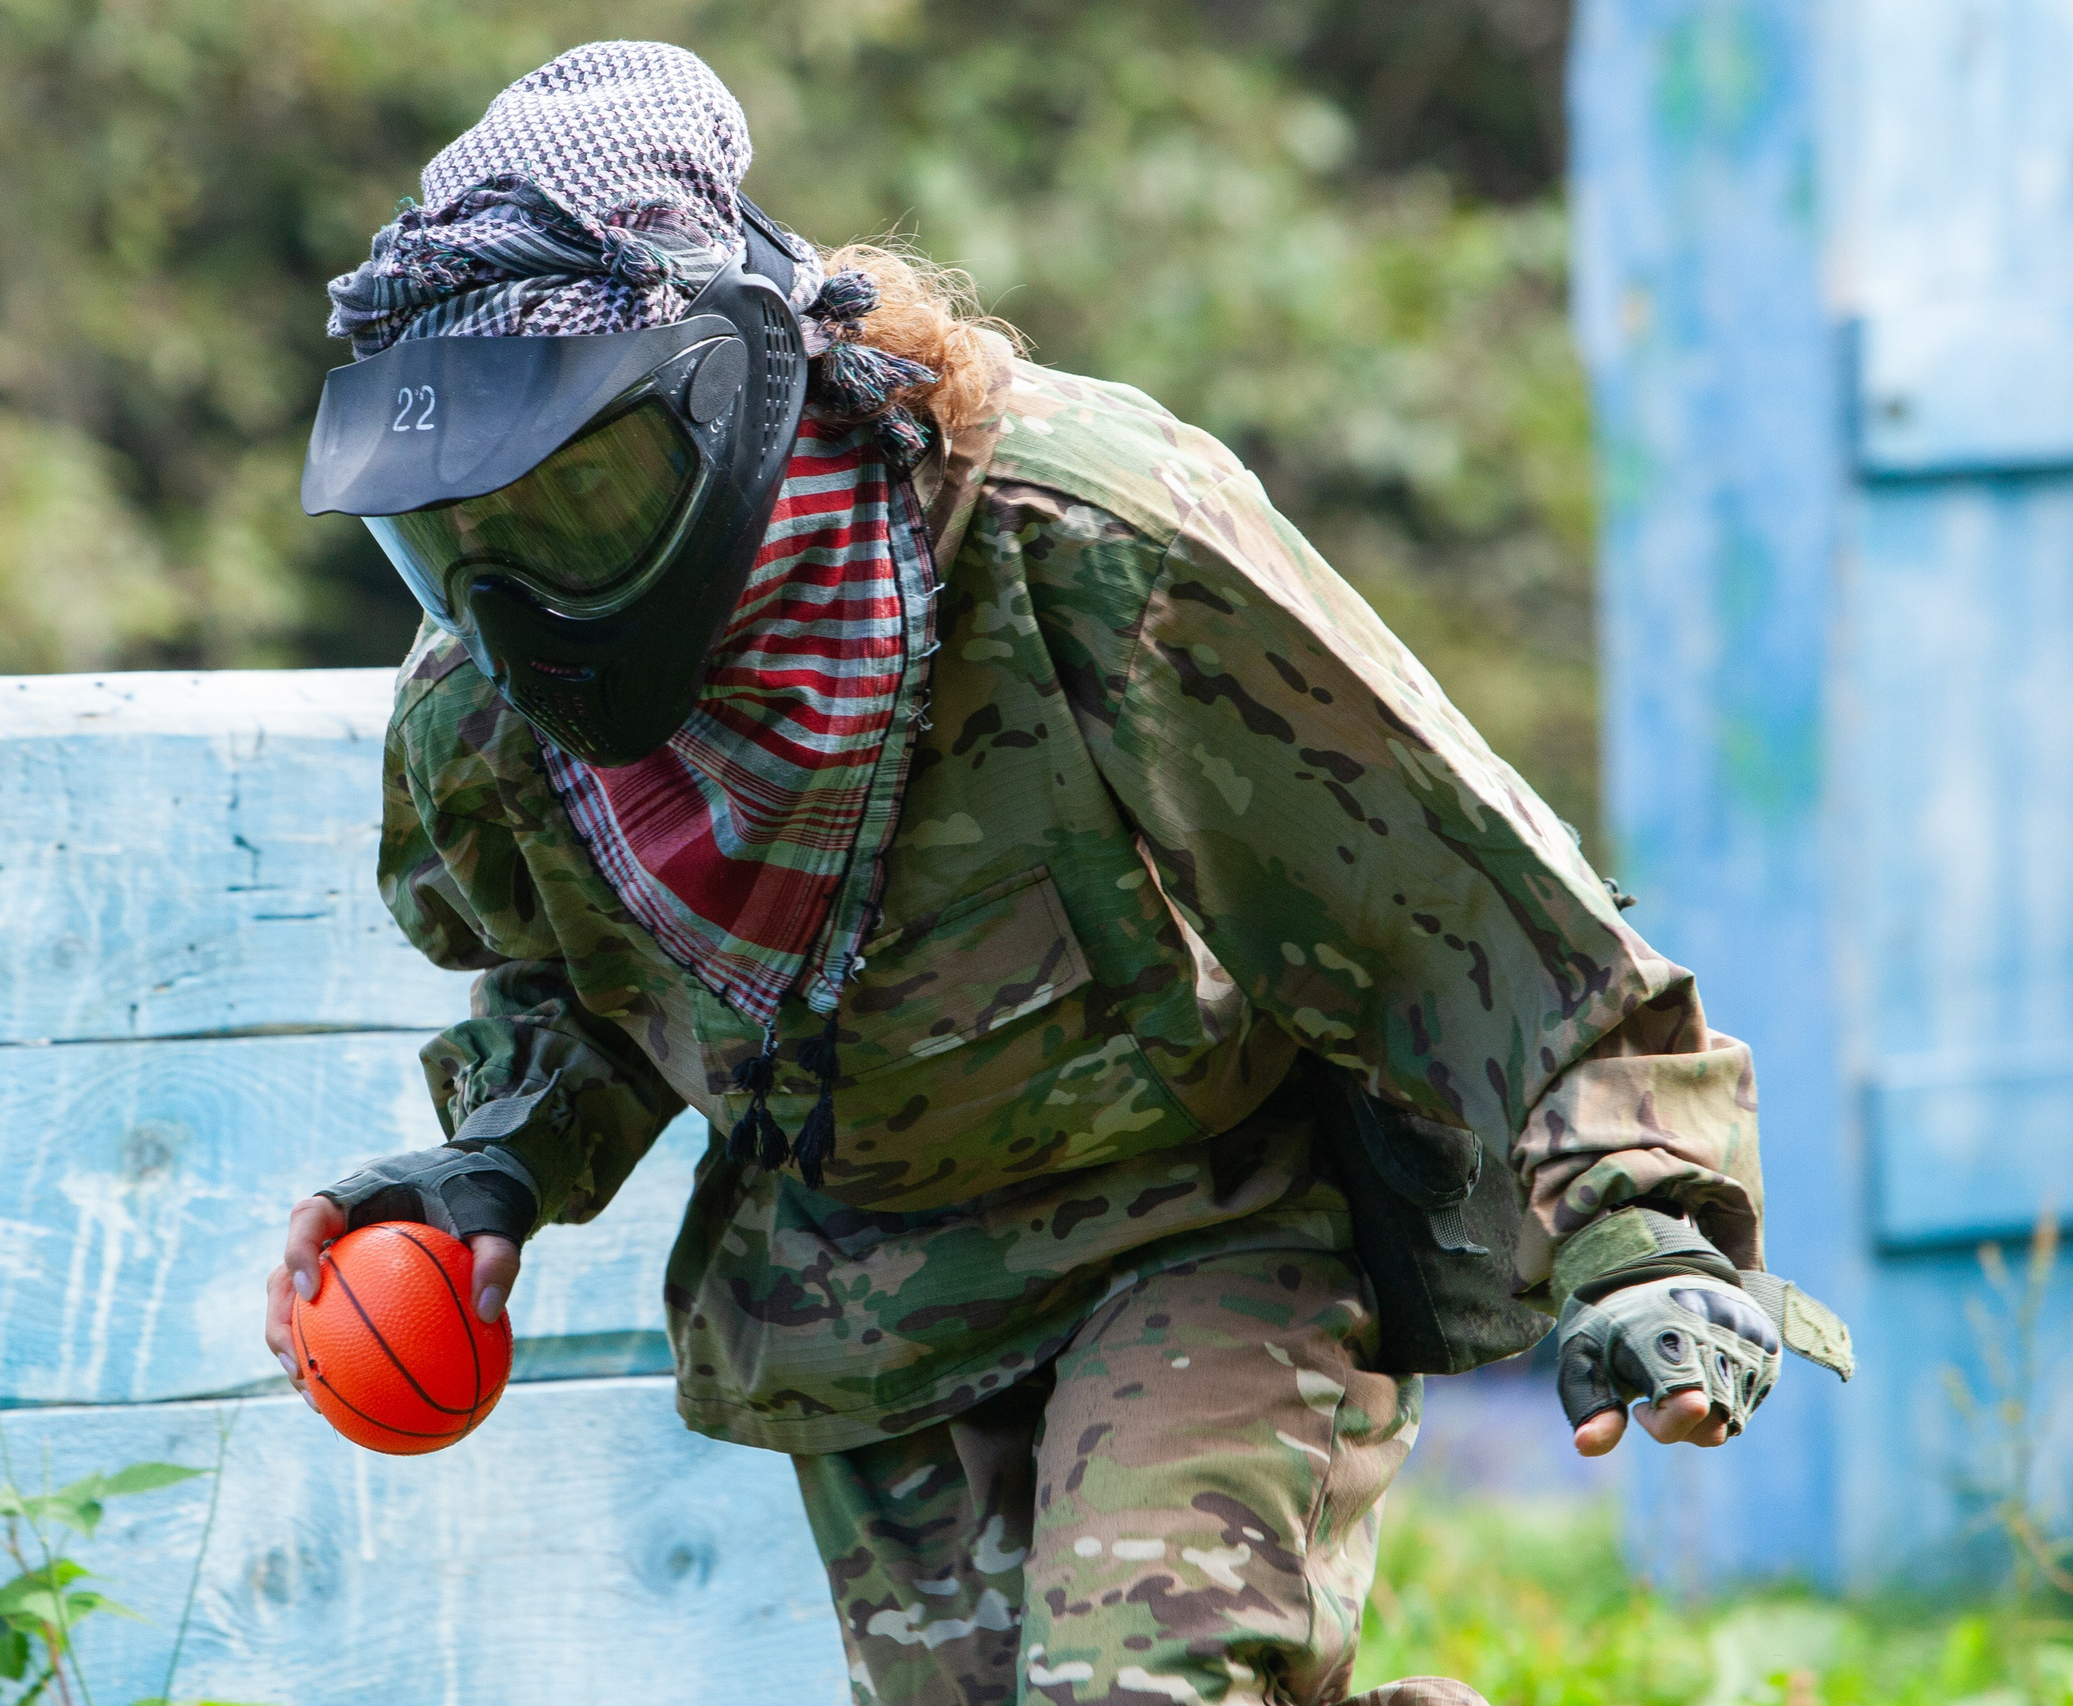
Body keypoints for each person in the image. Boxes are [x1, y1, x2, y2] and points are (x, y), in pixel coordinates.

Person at [263, 41, 1850, 1706]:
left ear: (730, 397)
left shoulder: (1074, 540)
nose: (511, 603)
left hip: (1205, 1227)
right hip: (871, 1312)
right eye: (452, 545)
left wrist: (1647, 1234)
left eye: (575, 504)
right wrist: (496, 1162)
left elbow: (1468, 895)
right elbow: (580, 980)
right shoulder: (488, 713)